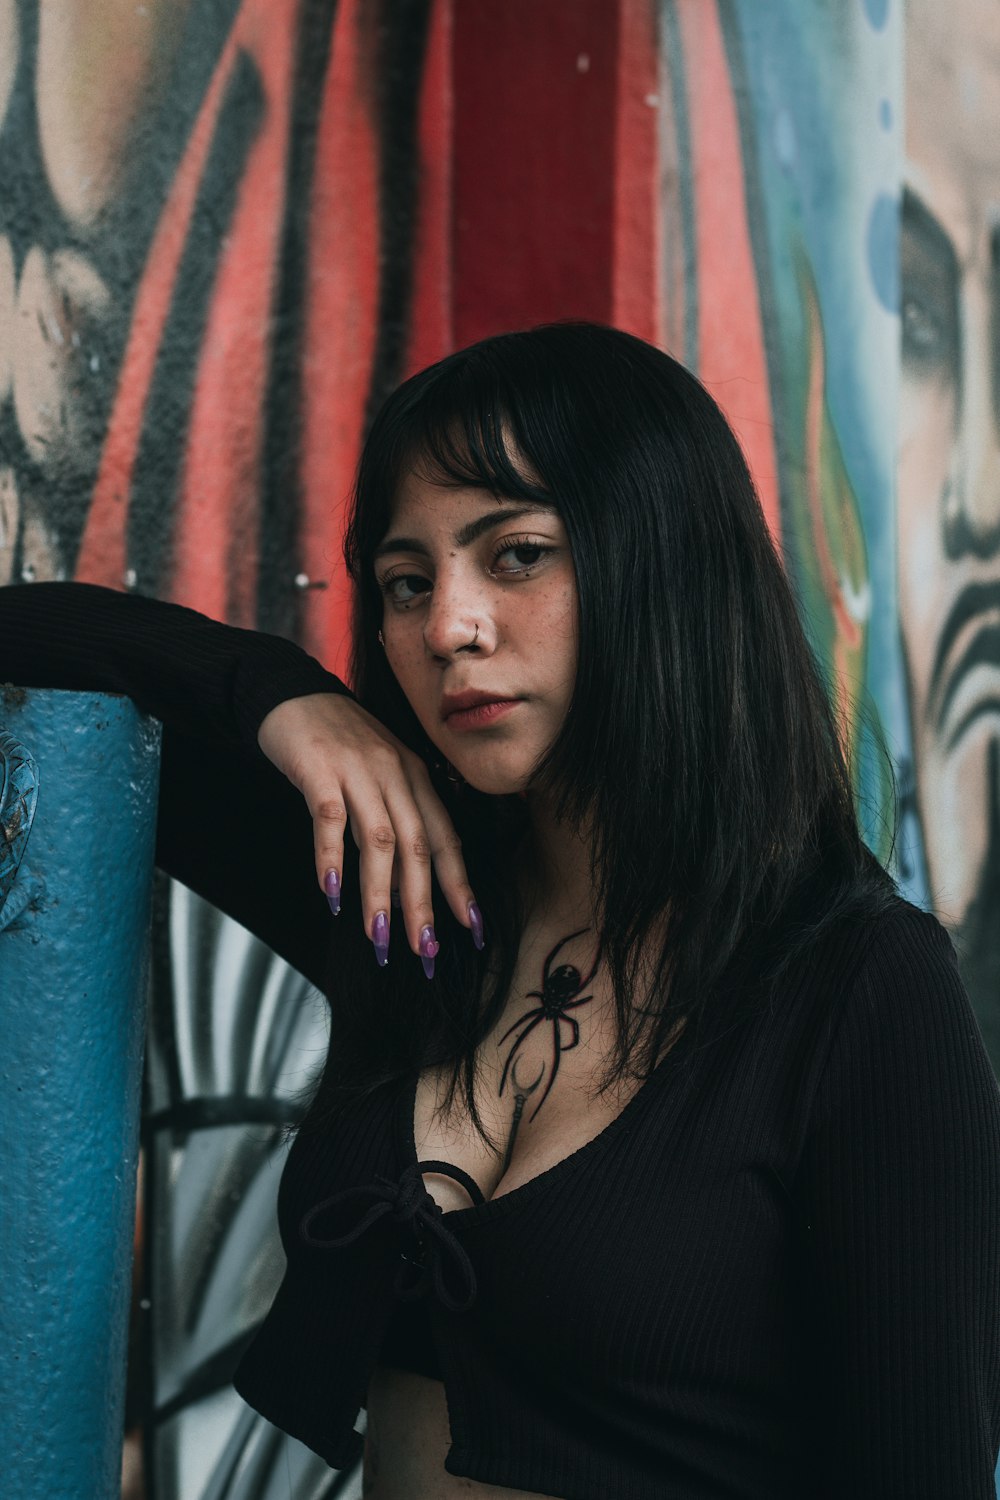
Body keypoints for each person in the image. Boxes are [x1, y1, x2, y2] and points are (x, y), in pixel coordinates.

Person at [2, 322, 999, 1499]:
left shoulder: (857, 987)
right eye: (405, 583)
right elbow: (34, 640)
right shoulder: (409, 900)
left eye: (516, 555)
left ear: (662, 561)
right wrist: (284, 699)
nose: (447, 629)